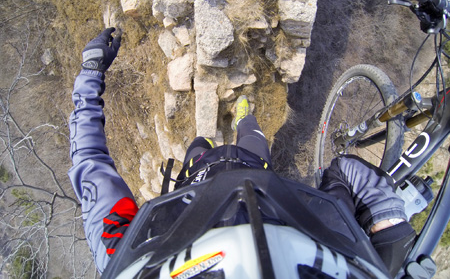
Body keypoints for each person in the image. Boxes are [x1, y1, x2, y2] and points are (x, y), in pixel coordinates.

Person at [69, 29, 416, 278]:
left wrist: (389, 236)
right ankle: (241, 115)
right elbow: (90, 164)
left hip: (202, 171)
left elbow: (90, 164)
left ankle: (217, 129)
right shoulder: (121, 260)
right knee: (248, 130)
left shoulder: (124, 259)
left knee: (200, 144)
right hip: (249, 163)